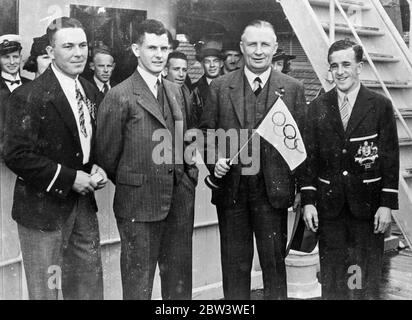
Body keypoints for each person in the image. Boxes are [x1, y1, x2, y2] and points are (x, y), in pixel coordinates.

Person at [199, 20, 306, 300]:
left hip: (273, 194)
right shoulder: (221, 87)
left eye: (265, 44)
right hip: (232, 193)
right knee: (234, 268)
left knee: (273, 267)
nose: (258, 51)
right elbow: (205, 133)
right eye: (252, 44)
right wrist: (215, 160)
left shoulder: (293, 88)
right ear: (241, 47)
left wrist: (303, 190)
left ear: (275, 48)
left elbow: (302, 144)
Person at [2, 17, 108, 300]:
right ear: (50, 52)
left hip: (83, 209)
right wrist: (71, 178)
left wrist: (100, 164)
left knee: (88, 290)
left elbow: (89, 140)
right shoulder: (28, 96)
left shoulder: (90, 89)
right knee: (47, 293)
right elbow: (16, 154)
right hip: (42, 211)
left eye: (83, 45)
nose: (78, 53)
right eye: (69, 46)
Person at [96, 19, 198, 300]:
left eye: (164, 48)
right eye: (151, 47)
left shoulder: (176, 90)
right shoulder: (120, 95)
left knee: (179, 285)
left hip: (179, 202)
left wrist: (189, 177)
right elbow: (107, 155)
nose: (159, 54)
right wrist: (139, 180)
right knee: (138, 285)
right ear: (135, 49)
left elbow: (186, 137)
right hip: (139, 205)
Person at [300, 39, 399, 300]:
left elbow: (390, 157)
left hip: (367, 210)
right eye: (334, 66)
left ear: (360, 67)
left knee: (363, 279)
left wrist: (386, 204)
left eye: (346, 64)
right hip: (330, 209)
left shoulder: (380, 106)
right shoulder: (317, 107)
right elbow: (309, 159)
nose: (340, 72)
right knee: (333, 280)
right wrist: (309, 201)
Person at [165, 50, 202, 127]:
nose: (181, 74)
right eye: (176, 69)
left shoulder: (188, 92)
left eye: (184, 70)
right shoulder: (158, 92)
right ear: (166, 70)